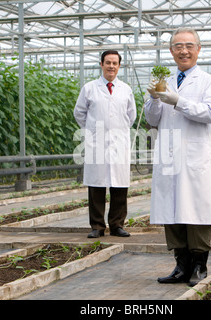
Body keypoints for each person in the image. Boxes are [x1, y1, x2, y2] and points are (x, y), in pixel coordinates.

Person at [145, 28, 211, 286]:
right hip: (169, 154)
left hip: (194, 155)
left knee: (195, 210)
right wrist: (155, 99)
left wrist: (178, 100)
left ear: (198, 49)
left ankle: (200, 265)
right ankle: (181, 265)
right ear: (171, 51)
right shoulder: (163, 78)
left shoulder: (208, 81)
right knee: (171, 210)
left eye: (189, 45)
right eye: (178, 46)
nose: (183, 50)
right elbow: (152, 120)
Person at [74, 50, 137, 238]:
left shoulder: (126, 89)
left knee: (119, 186)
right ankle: (97, 226)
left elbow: (131, 116)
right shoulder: (89, 88)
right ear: (101, 64)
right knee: (96, 186)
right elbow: (79, 113)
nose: (111, 66)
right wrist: (93, 131)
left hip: (119, 143)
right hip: (96, 143)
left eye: (115, 63)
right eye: (108, 62)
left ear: (119, 66)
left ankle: (117, 225)